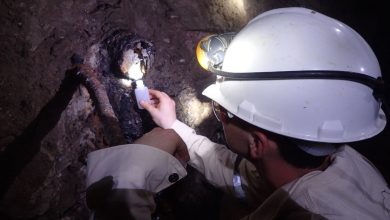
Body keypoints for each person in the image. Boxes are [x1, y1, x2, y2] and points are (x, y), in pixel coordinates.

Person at [86, 7, 390, 219]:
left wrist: (128, 175)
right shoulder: (328, 159)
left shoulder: (309, 212)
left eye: (224, 111)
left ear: (257, 143)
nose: (220, 113)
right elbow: (242, 179)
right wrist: (175, 126)